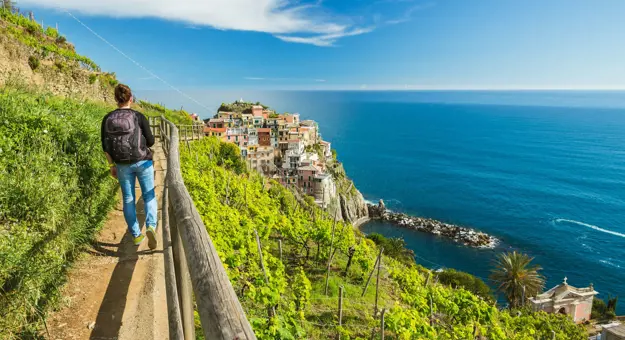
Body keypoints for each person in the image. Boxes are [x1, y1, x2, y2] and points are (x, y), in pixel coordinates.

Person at [101, 84, 158, 249]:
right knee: (149, 195)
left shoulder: (107, 119)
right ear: (131, 98)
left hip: (122, 164)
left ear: (116, 99)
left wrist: (111, 165)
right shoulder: (138, 116)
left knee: (128, 199)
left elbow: (105, 146)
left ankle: (136, 235)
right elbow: (152, 141)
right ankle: (151, 226)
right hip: (142, 161)